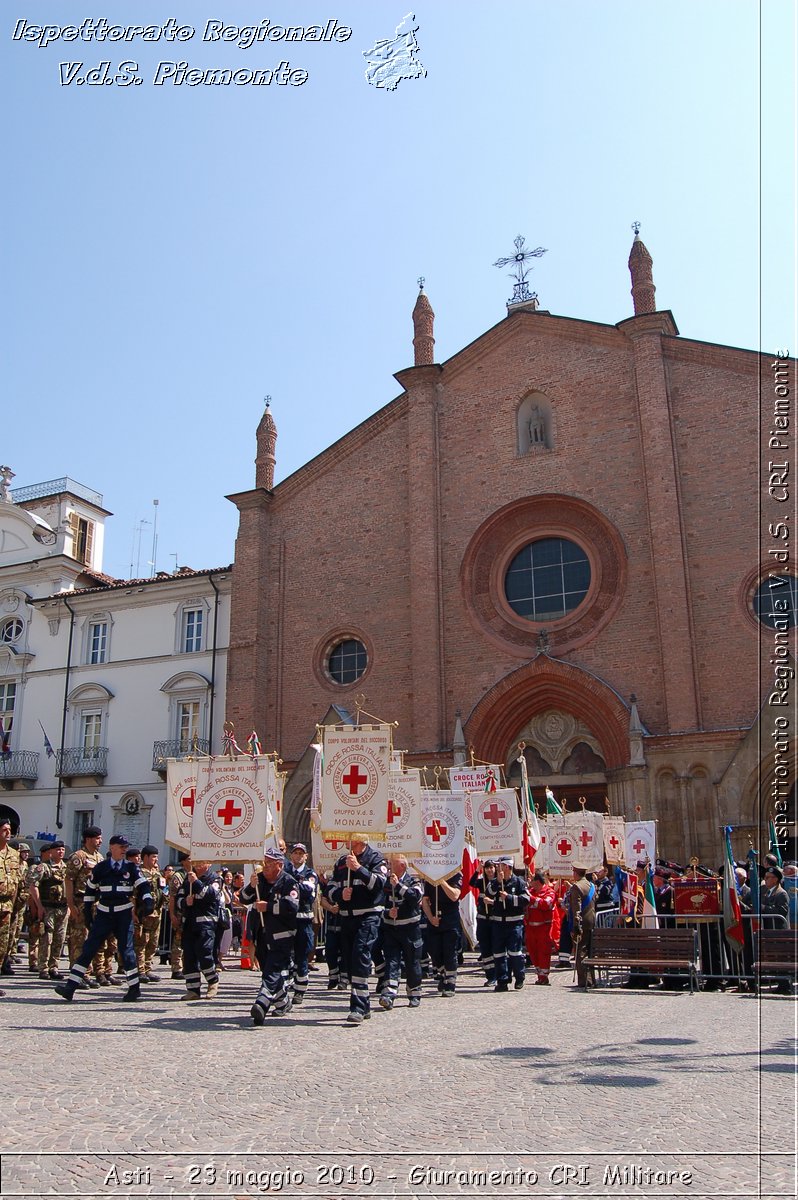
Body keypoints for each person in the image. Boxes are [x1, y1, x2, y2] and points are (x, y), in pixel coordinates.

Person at [54, 835, 153, 1002]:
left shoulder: (131, 867)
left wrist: (148, 901)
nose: (124, 850)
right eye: (121, 847)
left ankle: (134, 989)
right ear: (112, 847)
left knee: (126, 952)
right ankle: (70, 987)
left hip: (123, 913)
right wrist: (87, 914)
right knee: (88, 949)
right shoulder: (101, 867)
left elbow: (143, 885)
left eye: (125, 847)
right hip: (104, 913)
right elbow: (90, 891)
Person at [328, 838, 388, 1024]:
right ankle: (365, 1004)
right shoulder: (341, 862)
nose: (348, 841)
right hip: (347, 917)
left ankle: (358, 1007)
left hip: (369, 916)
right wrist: (339, 895)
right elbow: (329, 889)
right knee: (350, 961)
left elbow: (379, 885)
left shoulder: (376, 858)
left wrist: (358, 869)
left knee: (360, 955)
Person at [239, 847, 299, 1024]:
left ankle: (262, 1002)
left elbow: (292, 906)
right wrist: (251, 885)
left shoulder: (289, 882)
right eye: (263, 862)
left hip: (282, 935)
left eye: (269, 863)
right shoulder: (261, 881)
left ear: (279, 864)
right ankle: (283, 1001)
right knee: (268, 970)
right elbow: (243, 898)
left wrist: (270, 906)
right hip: (262, 934)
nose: (264, 866)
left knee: (272, 970)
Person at [380, 854, 423, 1010]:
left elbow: (415, 896)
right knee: (391, 961)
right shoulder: (386, 883)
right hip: (391, 929)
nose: (389, 867)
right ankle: (389, 994)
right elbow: (379, 904)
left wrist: (398, 886)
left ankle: (414, 993)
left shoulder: (414, 881)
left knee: (412, 962)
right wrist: (386, 913)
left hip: (410, 930)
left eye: (393, 864)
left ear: (403, 866)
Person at [64, 825, 104, 989]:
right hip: (80, 902)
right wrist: (71, 905)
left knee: (91, 940)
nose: (100, 841)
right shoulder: (78, 857)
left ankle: (87, 973)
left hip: (95, 902)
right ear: (89, 839)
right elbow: (69, 880)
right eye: (97, 838)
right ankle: (77, 975)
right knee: (79, 940)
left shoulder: (99, 857)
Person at [176, 859, 221, 1001]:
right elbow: (178, 898)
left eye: (202, 862)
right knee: (189, 957)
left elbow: (211, 896)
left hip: (206, 923)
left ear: (209, 864)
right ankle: (193, 989)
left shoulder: (214, 878)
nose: (199, 865)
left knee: (205, 954)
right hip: (189, 923)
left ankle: (213, 981)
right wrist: (184, 902)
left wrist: (195, 882)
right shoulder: (187, 879)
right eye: (197, 862)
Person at [28, 840, 68, 980]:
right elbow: (33, 886)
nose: (61, 852)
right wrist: (39, 906)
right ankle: (43, 967)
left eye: (62, 849)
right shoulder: (44, 867)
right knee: (46, 938)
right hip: (48, 907)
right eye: (58, 850)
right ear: (51, 852)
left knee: (60, 938)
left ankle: (54, 967)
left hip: (62, 909)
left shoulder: (66, 867)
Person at [488, 857, 529, 991]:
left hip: (514, 924)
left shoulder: (518, 882)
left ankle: (519, 977)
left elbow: (526, 899)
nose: (497, 868)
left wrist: (510, 898)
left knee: (515, 953)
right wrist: (498, 882)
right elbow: (489, 892)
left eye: (500, 865)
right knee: (499, 954)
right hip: (498, 923)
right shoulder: (495, 882)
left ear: (506, 867)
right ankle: (502, 980)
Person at [285, 842, 318, 1005]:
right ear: (291, 855)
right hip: (287, 920)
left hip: (304, 920)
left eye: (301, 853)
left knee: (302, 955)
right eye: (295, 853)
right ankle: (286, 984)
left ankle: (300, 989)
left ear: (306, 856)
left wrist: (291, 886)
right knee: (285, 954)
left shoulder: (310, 873)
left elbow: (309, 893)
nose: (298, 856)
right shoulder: (285, 871)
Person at [421, 870, 463, 998]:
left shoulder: (455, 874)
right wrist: (430, 917)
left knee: (449, 952)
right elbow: (425, 901)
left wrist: (442, 881)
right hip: (434, 919)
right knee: (434, 951)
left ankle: (450, 983)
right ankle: (442, 974)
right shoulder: (430, 877)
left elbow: (455, 895)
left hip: (450, 919)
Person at [135, 846, 165, 983]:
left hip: (156, 913)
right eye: (153, 857)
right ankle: (139, 970)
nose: (156, 859)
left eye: (156, 857)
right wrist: (133, 913)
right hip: (142, 913)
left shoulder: (158, 873)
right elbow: (133, 895)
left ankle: (148, 967)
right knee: (141, 942)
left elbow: (163, 891)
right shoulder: (138, 872)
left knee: (153, 943)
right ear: (145, 857)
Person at [0, 818, 22, 996]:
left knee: (2, 944)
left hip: (7, 905)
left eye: (9, 829)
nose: (8, 832)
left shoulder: (14, 854)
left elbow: (16, 883)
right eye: (5, 829)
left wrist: (14, 905)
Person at [568, 862, 596, 990]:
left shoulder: (576, 887)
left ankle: (584, 980)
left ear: (575, 873)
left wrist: (575, 926)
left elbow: (576, 909)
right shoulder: (591, 886)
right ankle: (592, 979)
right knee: (590, 951)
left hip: (582, 923)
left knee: (580, 951)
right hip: (591, 922)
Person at [525, 870, 556, 985]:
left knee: (543, 952)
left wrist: (532, 899)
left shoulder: (549, 892)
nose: (530, 882)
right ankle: (539, 974)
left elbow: (546, 905)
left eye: (532, 880)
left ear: (537, 881)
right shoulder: (530, 891)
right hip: (530, 928)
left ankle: (544, 976)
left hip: (543, 928)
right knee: (532, 952)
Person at [470, 859, 497, 986]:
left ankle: (499, 974)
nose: (489, 870)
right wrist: (477, 869)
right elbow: (471, 882)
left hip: (495, 919)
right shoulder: (482, 882)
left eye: (491, 868)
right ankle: (490, 975)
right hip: (482, 918)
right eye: (487, 868)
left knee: (496, 948)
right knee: (485, 948)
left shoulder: (499, 882)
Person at [318, 873, 344, 990]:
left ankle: (344, 977)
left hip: (345, 923)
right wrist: (331, 908)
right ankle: (333, 976)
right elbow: (323, 900)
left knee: (345, 952)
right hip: (332, 924)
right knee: (330, 951)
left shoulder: (349, 879)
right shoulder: (332, 882)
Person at [168, 851, 191, 978]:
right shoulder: (178, 876)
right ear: (183, 861)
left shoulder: (193, 874)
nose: (191, 861)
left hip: (190, 914)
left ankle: (187, 966)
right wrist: (172, 915)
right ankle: (176, 968)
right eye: (189, 859)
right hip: (180, 913)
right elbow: (172, 897)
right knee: (178, 941)